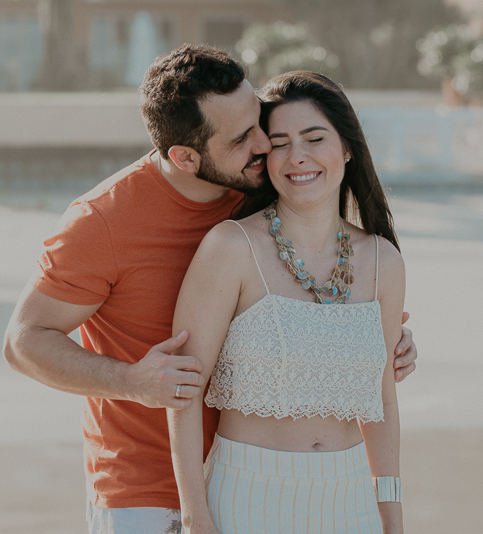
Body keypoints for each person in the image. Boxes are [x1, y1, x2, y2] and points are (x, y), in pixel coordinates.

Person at [3, 48, 417, 534]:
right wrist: (132, 380)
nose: (267, 145)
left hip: (275, 481)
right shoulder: (103, 222)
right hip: (146, 493)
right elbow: (23, 342)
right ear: (185, 157)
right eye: (245, 137)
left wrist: (368, 345)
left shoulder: (259, 184)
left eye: (258, 120)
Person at [168, 70, 405, 534]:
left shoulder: (384, 261)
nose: (298, 157)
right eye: (279, 143)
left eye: (314, 138)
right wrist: (197, 516)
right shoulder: (230, 248)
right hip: (246, 497)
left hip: (350, 500)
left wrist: (393, 520)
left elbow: (383, 401)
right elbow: (183, 391)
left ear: (348, 147)